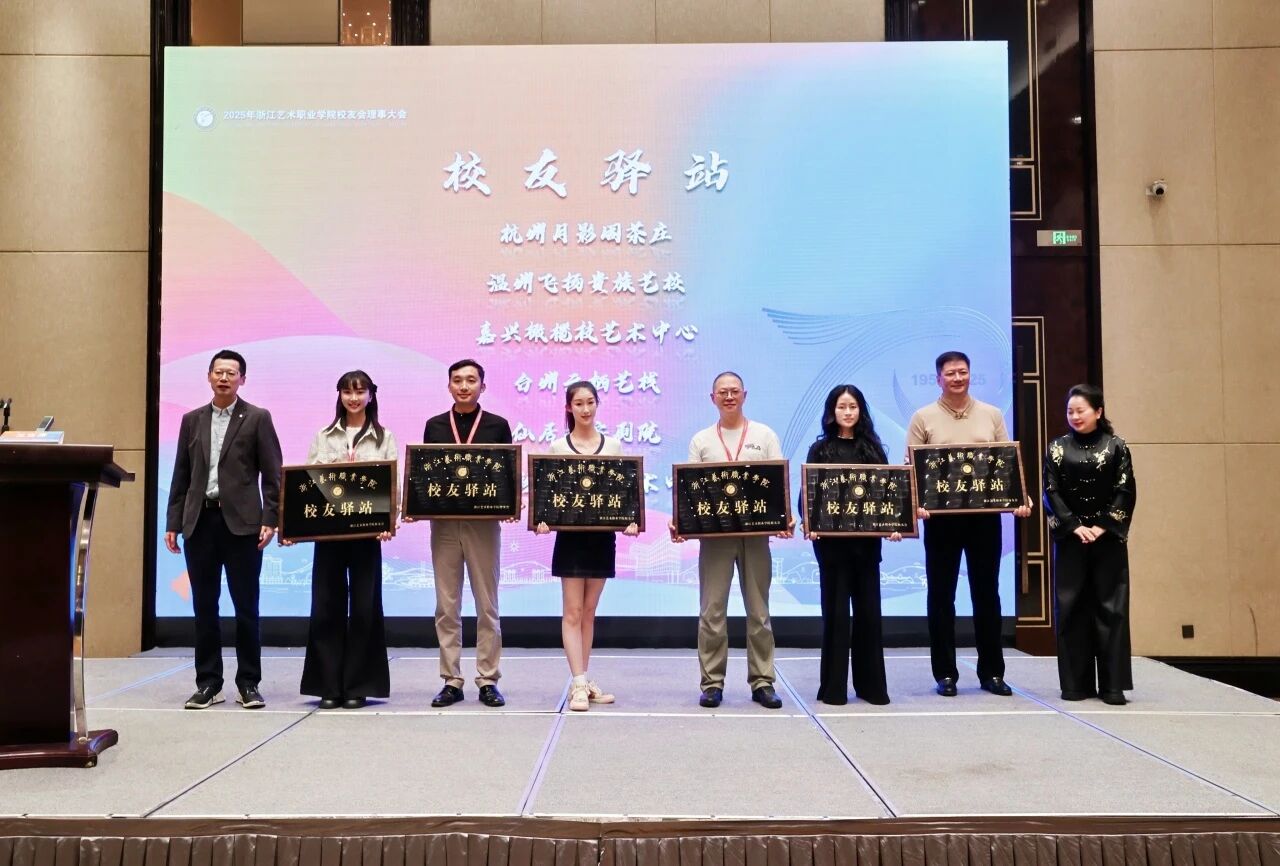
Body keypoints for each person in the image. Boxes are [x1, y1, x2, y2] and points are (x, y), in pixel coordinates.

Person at [906, 350, 1031, 698]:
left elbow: (1007, 464)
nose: (957, 378)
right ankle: (945, 673)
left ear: (970, 375)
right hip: (941, 523)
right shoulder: (923, 417)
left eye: (962, 372)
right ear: (938, 379)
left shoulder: (991, 414)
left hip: (984, 520)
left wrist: (1020, 497)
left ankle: (992, 672)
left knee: (987, 595)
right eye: (950, 373)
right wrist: (916, 505)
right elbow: (911, 469)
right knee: (941, 596)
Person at [165, 349, 282, 710]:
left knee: (246, 607)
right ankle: (208, 683)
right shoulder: (192, 420)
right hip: (200, 523)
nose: (224, 378)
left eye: (231, 373)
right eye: (218, 372)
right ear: (209, 376)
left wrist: (271, 518)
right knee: (204, 607)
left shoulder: (257, 417)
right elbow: (181, 474)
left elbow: (273, 475)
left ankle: (248, 682)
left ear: (242, 379)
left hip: (243, 525)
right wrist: (173, 522)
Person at [673, 371, 793, 710]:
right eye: (722, 392)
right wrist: (680, 521)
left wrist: (785, 517)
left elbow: (778, 484)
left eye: (735, 391)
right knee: (712, 612)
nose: (729, 396)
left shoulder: (764, 435)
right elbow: (690, 491)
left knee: (759, 612)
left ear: (744, 395)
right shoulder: (701, 440)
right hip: (716, 538)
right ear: (712, 398)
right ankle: (712, 683)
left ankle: (763, 681)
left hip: (755, 537)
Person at [287, 370, 397, 710]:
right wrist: (295, 526)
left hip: (367, 534)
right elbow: (309, 483)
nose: (354, 398)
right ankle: (328, 686)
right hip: (329, 534)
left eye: (360, 391)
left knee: (365, 608)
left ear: (371, 395)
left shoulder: (384, 437)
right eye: (348, 392)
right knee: (326, 606)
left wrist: (388, 522)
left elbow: (392, 485)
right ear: (339, 395)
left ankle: (358, 686)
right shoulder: (323, 436)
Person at [534, 381, 639, 711]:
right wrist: (542, 519)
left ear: (597, 405)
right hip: (570, 539)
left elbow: (623, 493)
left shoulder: (613, 445)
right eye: (578, 403)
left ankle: (583, 678)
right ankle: (578, 684)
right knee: (573, 612)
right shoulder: (557, 446)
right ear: (569, 408)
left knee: (589, 612)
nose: (585, 409)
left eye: (590, 402)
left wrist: (630, 521)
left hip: (602, 538)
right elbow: (548, 495)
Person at [420, 359, 514, 708]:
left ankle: (488, 680)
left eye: (471, 380)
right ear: (449, 386)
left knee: (487, 605)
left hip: (483, 525)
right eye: (457, 380)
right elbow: (425, 474)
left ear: (482, 386)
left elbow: (507, 474)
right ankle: (451, 680)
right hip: (444, 524)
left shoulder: (497, 425)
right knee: (446, 605)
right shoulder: (434, 426)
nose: (464, 386)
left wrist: (510, 504)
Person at [802, 385, 902, 706]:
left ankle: (871, 687)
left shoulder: (873, 449)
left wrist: (894, 525)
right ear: (832, 412)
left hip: (866, 547)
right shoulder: (820, 450)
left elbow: (889, 494)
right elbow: (808, 495)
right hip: (831, 549)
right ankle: (833, 689)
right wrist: (809, 523)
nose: (847, 412)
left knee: (868, 615)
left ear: (861, 411)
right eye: (842, 406)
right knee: (835, 617)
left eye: (853, 406)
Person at [1043, 384, 1136, 705]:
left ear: (1098, 412)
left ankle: (1112, 686)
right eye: (1070, 411)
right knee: (1071, 609)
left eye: (1081, 410)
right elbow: (1050, 491)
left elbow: (1126, 489)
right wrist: (1074, 526)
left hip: (1107, 539)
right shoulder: (1056, 448)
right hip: (1071, 539)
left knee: (1111, 608)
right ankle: (1075, 685)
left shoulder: (1117, 447)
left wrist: (1102, 526)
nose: (1075, 416)